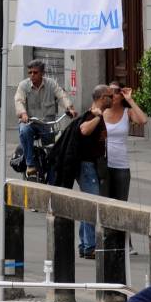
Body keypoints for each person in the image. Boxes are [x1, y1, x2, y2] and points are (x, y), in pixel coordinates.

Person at [49, 85, 112, 258]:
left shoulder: (98, 113)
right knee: (92, 205)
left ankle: (86, 245)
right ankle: (90, 246)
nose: (112, 99)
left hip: (90, 165)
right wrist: (98, 118)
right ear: (101, 97)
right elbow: (83, 129)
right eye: (109, 96)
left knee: (88, 205)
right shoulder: (94, 114)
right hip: (86, 166)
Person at [15, 58, 76, 177]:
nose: (32, 75)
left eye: (35, 72)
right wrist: (23, 114)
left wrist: (69, 108)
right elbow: (19, 100)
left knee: (53, 153)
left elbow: (61, 96)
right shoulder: (23, 85)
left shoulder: (51, 84)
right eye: (30, 72)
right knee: (24, 131)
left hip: (47, 123)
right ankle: (30, 164)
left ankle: (52, 180)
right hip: (30, 122)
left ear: (42, 73)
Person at [103, 81, 148, 203]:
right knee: (104, 205)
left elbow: (143, 120)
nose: (113, 94)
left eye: (116, 91)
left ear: (122, 94)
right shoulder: (101, 112)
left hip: (121, 166)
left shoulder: (127, 112)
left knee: (121, 205)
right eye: (110, 91)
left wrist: (130, 100)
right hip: (103, 165)